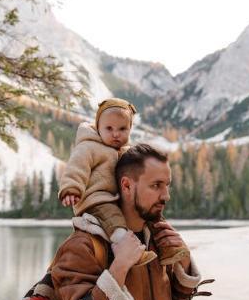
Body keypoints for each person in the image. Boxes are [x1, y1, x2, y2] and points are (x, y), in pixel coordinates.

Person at [51, 144, 204, 300]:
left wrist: (183, 261)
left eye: (167, 185)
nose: (166, 195)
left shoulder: (154, 238)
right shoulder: (84, 244)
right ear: (126, 186)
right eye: (156, 185)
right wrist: (120, 266)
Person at [58, 98, 187, 266]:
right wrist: (72, 189)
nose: (116, 134)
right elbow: (76, 168)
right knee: (114, 219)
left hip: (115, 198)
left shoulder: (127, 152)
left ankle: (169, 250)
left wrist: (186, 263)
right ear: (98, 128)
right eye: (109, 128)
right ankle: (126, 247)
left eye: (122, 129)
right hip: (97, 199)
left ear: (130, 129)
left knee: (156, 218)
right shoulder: (89, 147)